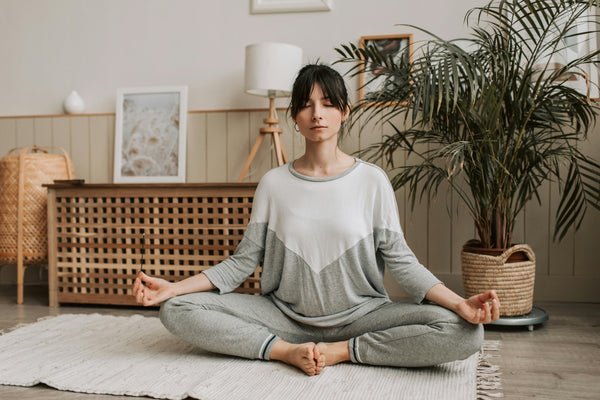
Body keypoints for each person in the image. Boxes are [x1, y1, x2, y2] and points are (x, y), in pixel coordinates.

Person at [133, 63, 500, 376]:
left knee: (466, 332)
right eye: (306, 105)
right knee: (177, 310)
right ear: (294, 116)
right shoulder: (274, 183)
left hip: (363, 315)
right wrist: (174, 287)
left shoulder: (372, 181)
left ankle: (343, 350)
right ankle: (284, 351)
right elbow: (242, 262)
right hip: (284, 318)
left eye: (327, 103)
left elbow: (402, 262)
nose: (317, 113)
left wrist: (459, 304)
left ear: (345, 111)